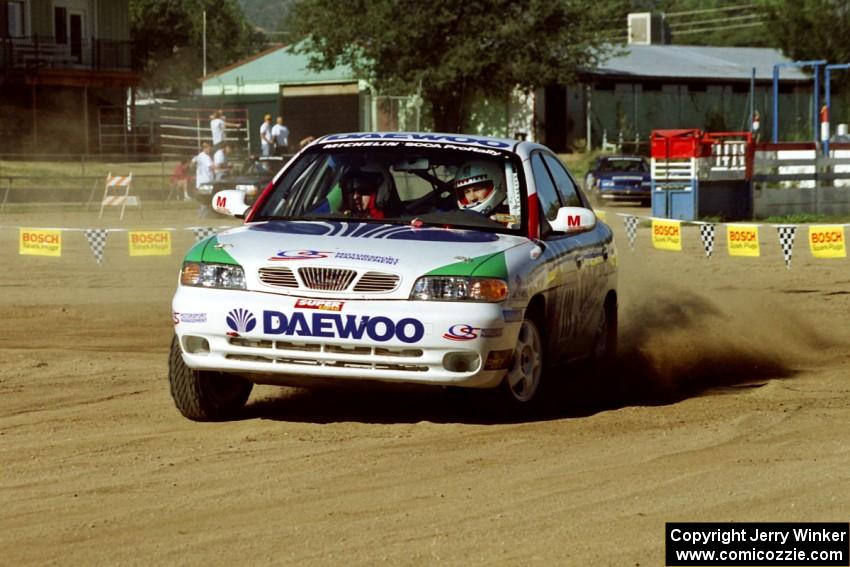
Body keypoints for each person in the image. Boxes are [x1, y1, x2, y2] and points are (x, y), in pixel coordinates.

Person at [192, 142, 214, 217]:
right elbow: (211, 167)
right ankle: (203, 214)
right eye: (208, 147)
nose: (209, 149)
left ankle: (204, 213)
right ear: (205, 148)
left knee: (204, 198)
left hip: (201, 181)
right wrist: (222, 168)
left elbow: (192, 163)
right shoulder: (205, 157)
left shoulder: (199, 156)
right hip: (205, 181)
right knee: (206, 198)